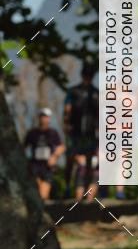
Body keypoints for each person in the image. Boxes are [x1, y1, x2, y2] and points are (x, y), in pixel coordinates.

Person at [63, 61, 99, 202]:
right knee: (71, 160)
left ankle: (85, 190)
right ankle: (68, 186)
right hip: (75, 131)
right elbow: (67, 110)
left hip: (89, 132)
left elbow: (99, 113)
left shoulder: (96, 93)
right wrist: (66, 124)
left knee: (88, 162)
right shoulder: (73, 91)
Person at [24, 108, 65, 201]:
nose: (44, 119)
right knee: (37, 192)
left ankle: (44, 206)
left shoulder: (53, 133)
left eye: (46, 116)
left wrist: (54, 157)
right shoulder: (32, 133)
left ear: (49, 118)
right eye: (42, 116)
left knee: (43, 194)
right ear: (39, 118)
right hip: (35, 166)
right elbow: (23, 147)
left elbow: (62, 147)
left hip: (47, 167)